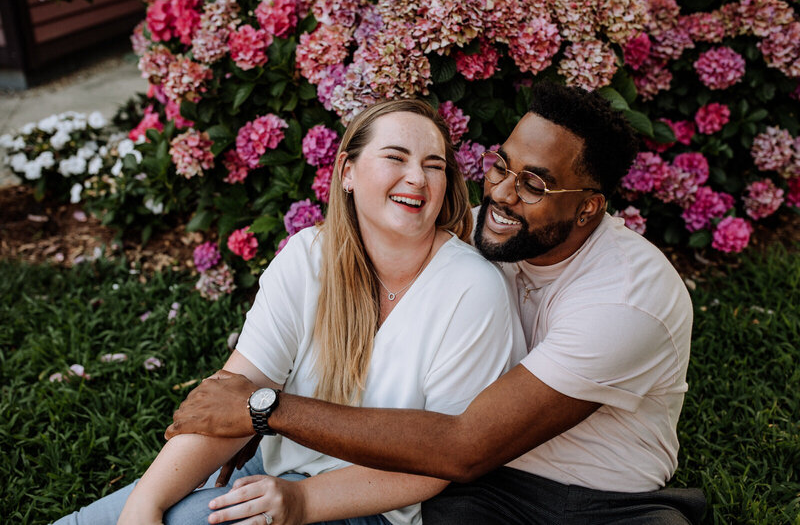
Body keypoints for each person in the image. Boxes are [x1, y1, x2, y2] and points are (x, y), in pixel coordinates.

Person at [167, 82, 706, 524]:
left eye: (535, 184)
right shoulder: (483, 232)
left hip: (593, 499)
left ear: (588, 209)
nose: (500, 194)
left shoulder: (625, 302)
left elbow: (462, 447)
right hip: (473, 484)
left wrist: (266, 411)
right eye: (501, 166)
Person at [52, 99, 525, 525]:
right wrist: (145, 504)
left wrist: (302, 502)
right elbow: (231, 398)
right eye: (395, 158)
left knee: (192, 521)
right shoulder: (309, 256)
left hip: (380, 507)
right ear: (347, 173)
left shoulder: (471, 288)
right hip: (275, 463)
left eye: (434, 165)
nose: (418, 178)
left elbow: (438, 461)